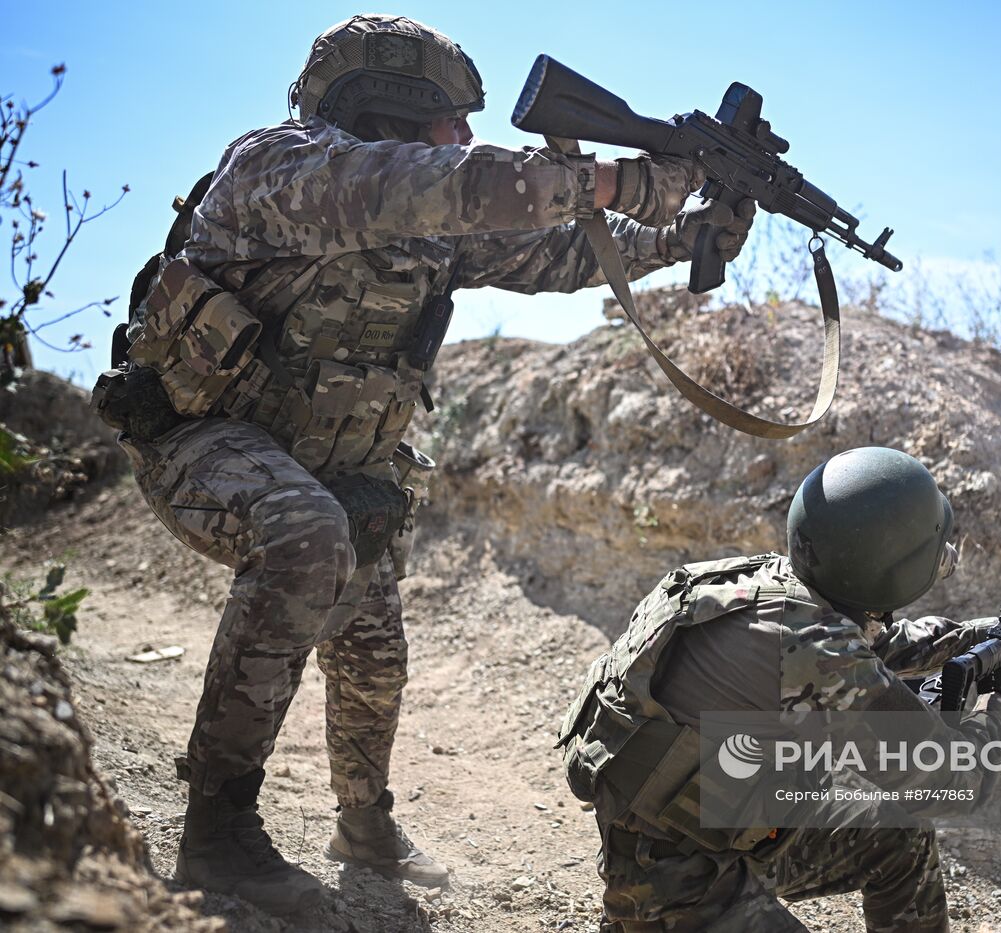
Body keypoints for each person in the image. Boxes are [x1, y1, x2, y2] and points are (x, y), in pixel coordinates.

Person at [98, 13, 754, 916]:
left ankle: (363, 824)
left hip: (332, 465)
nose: (468, 138)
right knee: (306, 533)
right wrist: (623, 178)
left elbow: (557, 251)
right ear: (389, 112)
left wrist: (685, 236)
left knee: (374, 651)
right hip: (203, 442)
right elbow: (450, 187)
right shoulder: (282, 169)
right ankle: (217, 832)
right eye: (452, 120)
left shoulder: (431, 212)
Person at [559, 447, 1001, 932]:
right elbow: (955, 781)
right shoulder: (817, 649)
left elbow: (877, 646)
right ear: (891, 569)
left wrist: (993, 634)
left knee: (898, 837)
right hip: (679, 884)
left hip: (686, 832)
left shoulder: (764, 586)